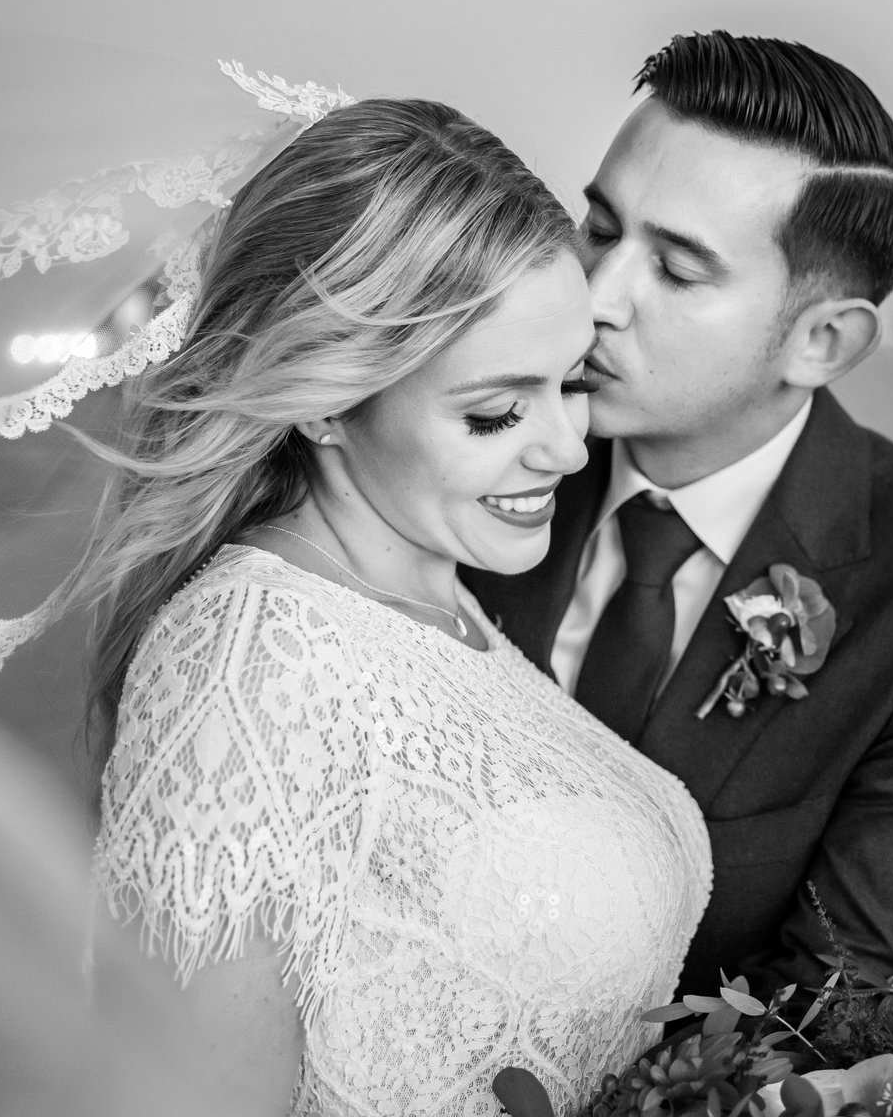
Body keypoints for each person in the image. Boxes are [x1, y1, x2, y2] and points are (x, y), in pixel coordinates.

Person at [74, 98, 711, 1115]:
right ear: (328, 400)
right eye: (495, 413)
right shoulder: (250, 667)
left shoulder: (445, 600)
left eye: (572, 383)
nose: (565, 448)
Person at [464, 32, 893, 999]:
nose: (598, 297)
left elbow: (841, 1007)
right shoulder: (461, 449)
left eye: (678, 271)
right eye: (601, 229)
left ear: (822, 342)